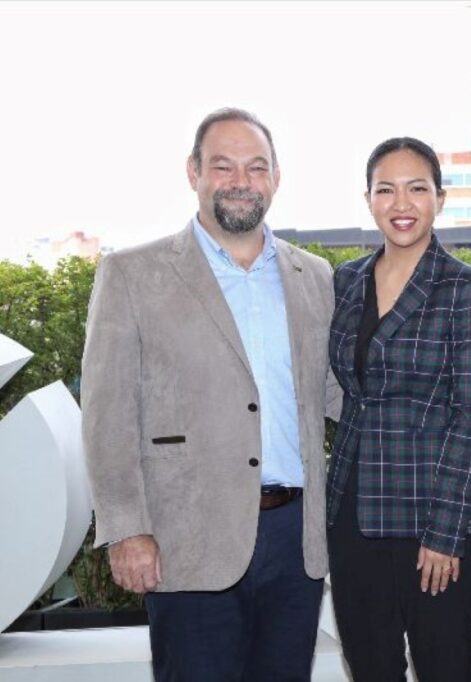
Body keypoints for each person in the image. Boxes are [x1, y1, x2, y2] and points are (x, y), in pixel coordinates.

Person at [81, 108, 341, 681]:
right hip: (185, 539)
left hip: (296, 542)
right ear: (193, 172)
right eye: (223, 166)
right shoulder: (132, 274)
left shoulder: (315, 276)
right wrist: (126, 529)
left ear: (276, 178)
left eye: (257, 167)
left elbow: (336, 394)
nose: (241, 181)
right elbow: (107, 417)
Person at [325, 137, 471, 681]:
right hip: (353, 513)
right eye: (386, 190)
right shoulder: (346, 280)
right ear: (368, 200)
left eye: (417, 188)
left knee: (443, 668)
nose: (401, 204)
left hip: (435, 517)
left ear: (439, 199)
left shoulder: (469, 287)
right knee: (370, 668)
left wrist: (446, 532)